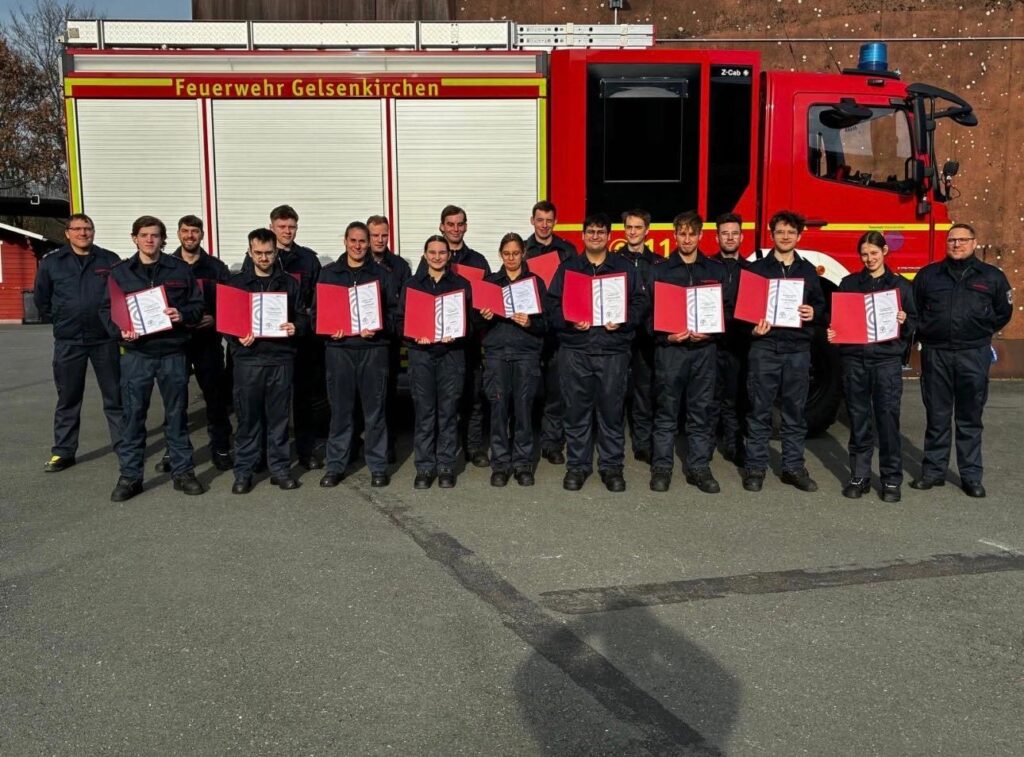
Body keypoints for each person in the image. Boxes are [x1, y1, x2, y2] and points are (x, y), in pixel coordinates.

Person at [544, 212, 646, 492]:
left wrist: (623, 319)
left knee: (611, 413)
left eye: (601, 232)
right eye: (591, 232)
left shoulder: (624, 268)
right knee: (576, 412)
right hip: (576, 349)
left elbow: (640, 302)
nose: (596, 236)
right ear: (583, 235)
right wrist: (569, 320)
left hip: (613, 350)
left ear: (609, 236)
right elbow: (552, 305)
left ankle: (612, 467)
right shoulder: (568, 268)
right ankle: (577, 466)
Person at [105, 216, 205, 501]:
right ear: (134, 238)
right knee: (134, 416)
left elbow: (197, 305)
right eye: (144, 235)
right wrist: (120, 330)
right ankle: (130, 476)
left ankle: (183, 472)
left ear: (163, 239)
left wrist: (182, 314)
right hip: (137, 354)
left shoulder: (180, 269)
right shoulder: (119, 273)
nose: (150, 240)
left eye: (155, 235)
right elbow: (105, 310)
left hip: (172, 351)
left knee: (177, 415)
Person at [911, 223, 1013, 498]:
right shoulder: (929, 275)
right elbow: (914, 309)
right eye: (952, 240)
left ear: (974, 243)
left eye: (963, 240)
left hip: (973, 353)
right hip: (937, 353)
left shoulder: (992, 276)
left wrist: (979, 330)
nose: (957, 244)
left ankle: (971, 476)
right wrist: (927, 330)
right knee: (937, 416)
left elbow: (1004, 311)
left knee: (970, 418)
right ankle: (933, 472)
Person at [827, 231, 917, 502]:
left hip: (887, 361)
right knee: (858, 419)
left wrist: (904, 320)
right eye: (864, 254)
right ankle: (860, 475)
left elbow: (914, 325)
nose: (869, 259)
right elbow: (837, 319)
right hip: (854, 360)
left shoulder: (901, 287)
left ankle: (891, 479)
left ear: (885, 251)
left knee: (887, 420)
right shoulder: (848, 283)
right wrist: (833, 332)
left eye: (874, 253)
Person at [742, 210, 827, 493]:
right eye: (780, 232)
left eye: (791, 232)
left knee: (795, 412)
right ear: (772, 234)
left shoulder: (808, 271)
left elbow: (821, 307)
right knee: (759, 411)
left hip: (797, 349)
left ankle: (792, 467)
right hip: (764, 347)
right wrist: (753, 330)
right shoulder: (756, 270)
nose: (786, 236)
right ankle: (755, 467)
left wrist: (813, 312)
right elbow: (744, 314)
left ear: (799, 236)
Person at [648, 211, 732, 493]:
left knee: (701, 413)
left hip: (704, 351)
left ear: (700, 236)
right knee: (666, 413)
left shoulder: (715, 270)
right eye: (682, 234)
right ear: (674, 236)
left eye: (692, 234)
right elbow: (646, 316)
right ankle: (662, 469)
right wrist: (666, 335)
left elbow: (728, 312)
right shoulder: (659, 271)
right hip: (670, 351)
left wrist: (713, 331)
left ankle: (699, 468)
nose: (686, 239)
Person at [33, 214, 123, 472]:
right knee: (68, 398)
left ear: (93, 231)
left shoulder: (109, 260)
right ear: (67, 233)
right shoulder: (52, 263)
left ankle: (124, 445)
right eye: (77, 229)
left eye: (88, 228)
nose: (83, 233)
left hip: (104, 339)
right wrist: (62, 318)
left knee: (115, 396)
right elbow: (42, 299)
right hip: (69, 340)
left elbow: (121, 295)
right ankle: (63, 451)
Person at [316, 221, 397, 489]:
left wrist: (379, 327)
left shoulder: (382, 275)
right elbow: (317, 315)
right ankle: (335, 465)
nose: (358, 246)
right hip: (339, 350)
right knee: (340, 411)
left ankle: (378, 466)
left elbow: (395, 315)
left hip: (373, 349)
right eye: (353, 240)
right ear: (345, 241)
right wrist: (329, 331)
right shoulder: (328, 274)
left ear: (368, 243)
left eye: (362, 241)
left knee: (375, 412)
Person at [245, 204, 324, 470]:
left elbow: (317, 300)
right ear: (272, 227)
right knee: (264, 402)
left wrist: (303, 321)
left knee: (304, 399)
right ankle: (261, 454)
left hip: (300, 341)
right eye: (282, 227)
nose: (287, 231)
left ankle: (305, 450)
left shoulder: (308, 260)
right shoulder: (257, 257)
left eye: (292, 227)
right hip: (266, 345)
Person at [226, 229, 305, 493]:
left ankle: (280, 469)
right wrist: (237, 336)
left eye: (268, 253)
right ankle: (244, 471)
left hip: (280, 359)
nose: (263, 258)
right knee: (248, 420)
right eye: (258, 253)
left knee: (279, 419)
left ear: (276, 252)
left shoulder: (289, 284)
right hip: (248, 361)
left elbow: (304, 316)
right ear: (250, 252)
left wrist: (296, 327)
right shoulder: (237, 284)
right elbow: (226, 323)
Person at [152, 215, 233, 473]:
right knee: (176, 400)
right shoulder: (166, 266)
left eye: (195, 231)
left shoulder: (216, 268)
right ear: (178, 234)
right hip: (176, 342)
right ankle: (173, 451)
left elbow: (230, 302)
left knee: (215, 398)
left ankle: (221, 448)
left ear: (202, 235)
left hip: (207, 341)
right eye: (185, 231)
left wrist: (216, 318)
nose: (190, 236)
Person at [399, 235, 474, 489]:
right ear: (425, 255)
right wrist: (413, 335)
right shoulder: (412, 286)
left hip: (452, 355)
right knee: (424, 413)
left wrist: (459, 332)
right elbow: (400, 321)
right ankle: (424, 467)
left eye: (442, 252)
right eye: (432, 252)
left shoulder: (462, 285)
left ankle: (445, 466)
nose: (437, 257)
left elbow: (471, 324)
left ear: (449, 255)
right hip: (421, 356)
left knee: (448, 413)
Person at [478, 233, 547, 487]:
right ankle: (500, 464)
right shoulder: (490, 283)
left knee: (523, 411)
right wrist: (483, 317)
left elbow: (547, 324)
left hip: (526, 354)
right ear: (500, 254)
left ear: (523, 254)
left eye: (515, 253)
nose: (511, 258)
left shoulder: (535, 283)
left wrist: (530, 323)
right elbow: (474, 325)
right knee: (497, 411)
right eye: (506, 254)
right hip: (496, 354)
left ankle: (522, 464)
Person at [434, 205, 492, 468]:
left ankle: (473, 447)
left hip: (468, 341)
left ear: (466, 226)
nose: (455, 229)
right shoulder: (433, 257)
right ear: (442, 227)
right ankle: (444, 447)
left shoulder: (478, 261)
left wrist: (481, 318)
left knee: (473, 398)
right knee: (443, 400)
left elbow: (486, 299)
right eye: (450, 224)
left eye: (460, 224)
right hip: (440, 345)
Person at [524, 200, 576, 464]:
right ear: (532, 221)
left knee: (556, 390)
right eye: (540, 220)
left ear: (555, 222)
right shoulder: (521, 250)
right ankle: (523, 443)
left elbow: (576, 286)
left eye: (549, 220)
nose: (544, 225)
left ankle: (552, 443)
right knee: (525, 391)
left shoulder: (567, 250)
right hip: (529, 327)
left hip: (557, 328)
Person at [618, 208, 663, 463]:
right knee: (614, 390)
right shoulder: (614, 261)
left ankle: (642, 443)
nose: (633, 232)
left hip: (646, 336)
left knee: (644, 390)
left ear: (647, 230)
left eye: (638, 227)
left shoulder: (659, 263)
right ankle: (613, 441)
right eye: (629, 227)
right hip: (618, 334)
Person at [367, 214, 412, 463]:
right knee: (361, 398)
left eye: (384, 235)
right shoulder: (358, 263)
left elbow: (405, 305)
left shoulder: (400, 266)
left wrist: (389, 325)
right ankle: (358, 444)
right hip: (360, 343)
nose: (380, 239)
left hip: (388, 341)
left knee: (387, 396)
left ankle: (388, 445)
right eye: (375, 235)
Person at [710, 213, 751, 464]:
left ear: (742, 237)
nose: (730, 238)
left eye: (734, 233)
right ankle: (705, 445)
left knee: (735, 397)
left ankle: (735, 445)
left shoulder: (752, 271)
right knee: (709, 396)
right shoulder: (706, 267)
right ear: (717, 237)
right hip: (711, 343)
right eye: (725, 233)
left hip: (739, 343)